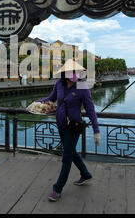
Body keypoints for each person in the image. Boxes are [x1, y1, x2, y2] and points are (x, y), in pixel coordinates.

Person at [37, 59, 101, 202]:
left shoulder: (82, 86)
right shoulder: (59, 84)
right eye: (70, 72)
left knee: (66, 158)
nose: (73, 74)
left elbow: (90, 110)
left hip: (74, 127)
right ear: (64, 73)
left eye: (75, 72)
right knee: (71, 152)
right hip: (60, 125)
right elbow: (51, 99)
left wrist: (96, 130)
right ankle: (85, 173)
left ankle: (57, 188)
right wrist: (36, 103)